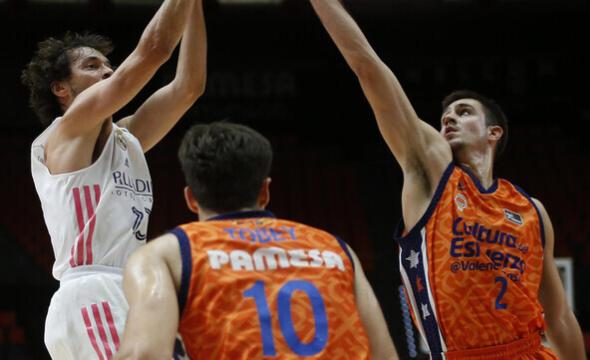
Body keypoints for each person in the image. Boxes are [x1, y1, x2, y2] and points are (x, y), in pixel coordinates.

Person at [308, 1, 586, 359]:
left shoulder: (532, 211)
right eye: (445, 117)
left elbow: (559, 318)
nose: (449, 120)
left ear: (494, 132)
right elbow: (368, 68)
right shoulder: (431, 175)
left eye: (464, 112)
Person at [113, 122, 398, 359]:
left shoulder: (166, 253)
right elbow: (385, 355)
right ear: (265, 191)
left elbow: (143, 355)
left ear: (190, 198)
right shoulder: (336, 249)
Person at [21, 0, 206, 356]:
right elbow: (154, 50)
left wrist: (193, 7)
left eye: (110, 65)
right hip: (92, 292)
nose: (108, 71)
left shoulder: (125, 137)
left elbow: (189, 87)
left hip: (129, 289)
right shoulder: (68, 131)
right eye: (92, 66)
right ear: (60, 88)